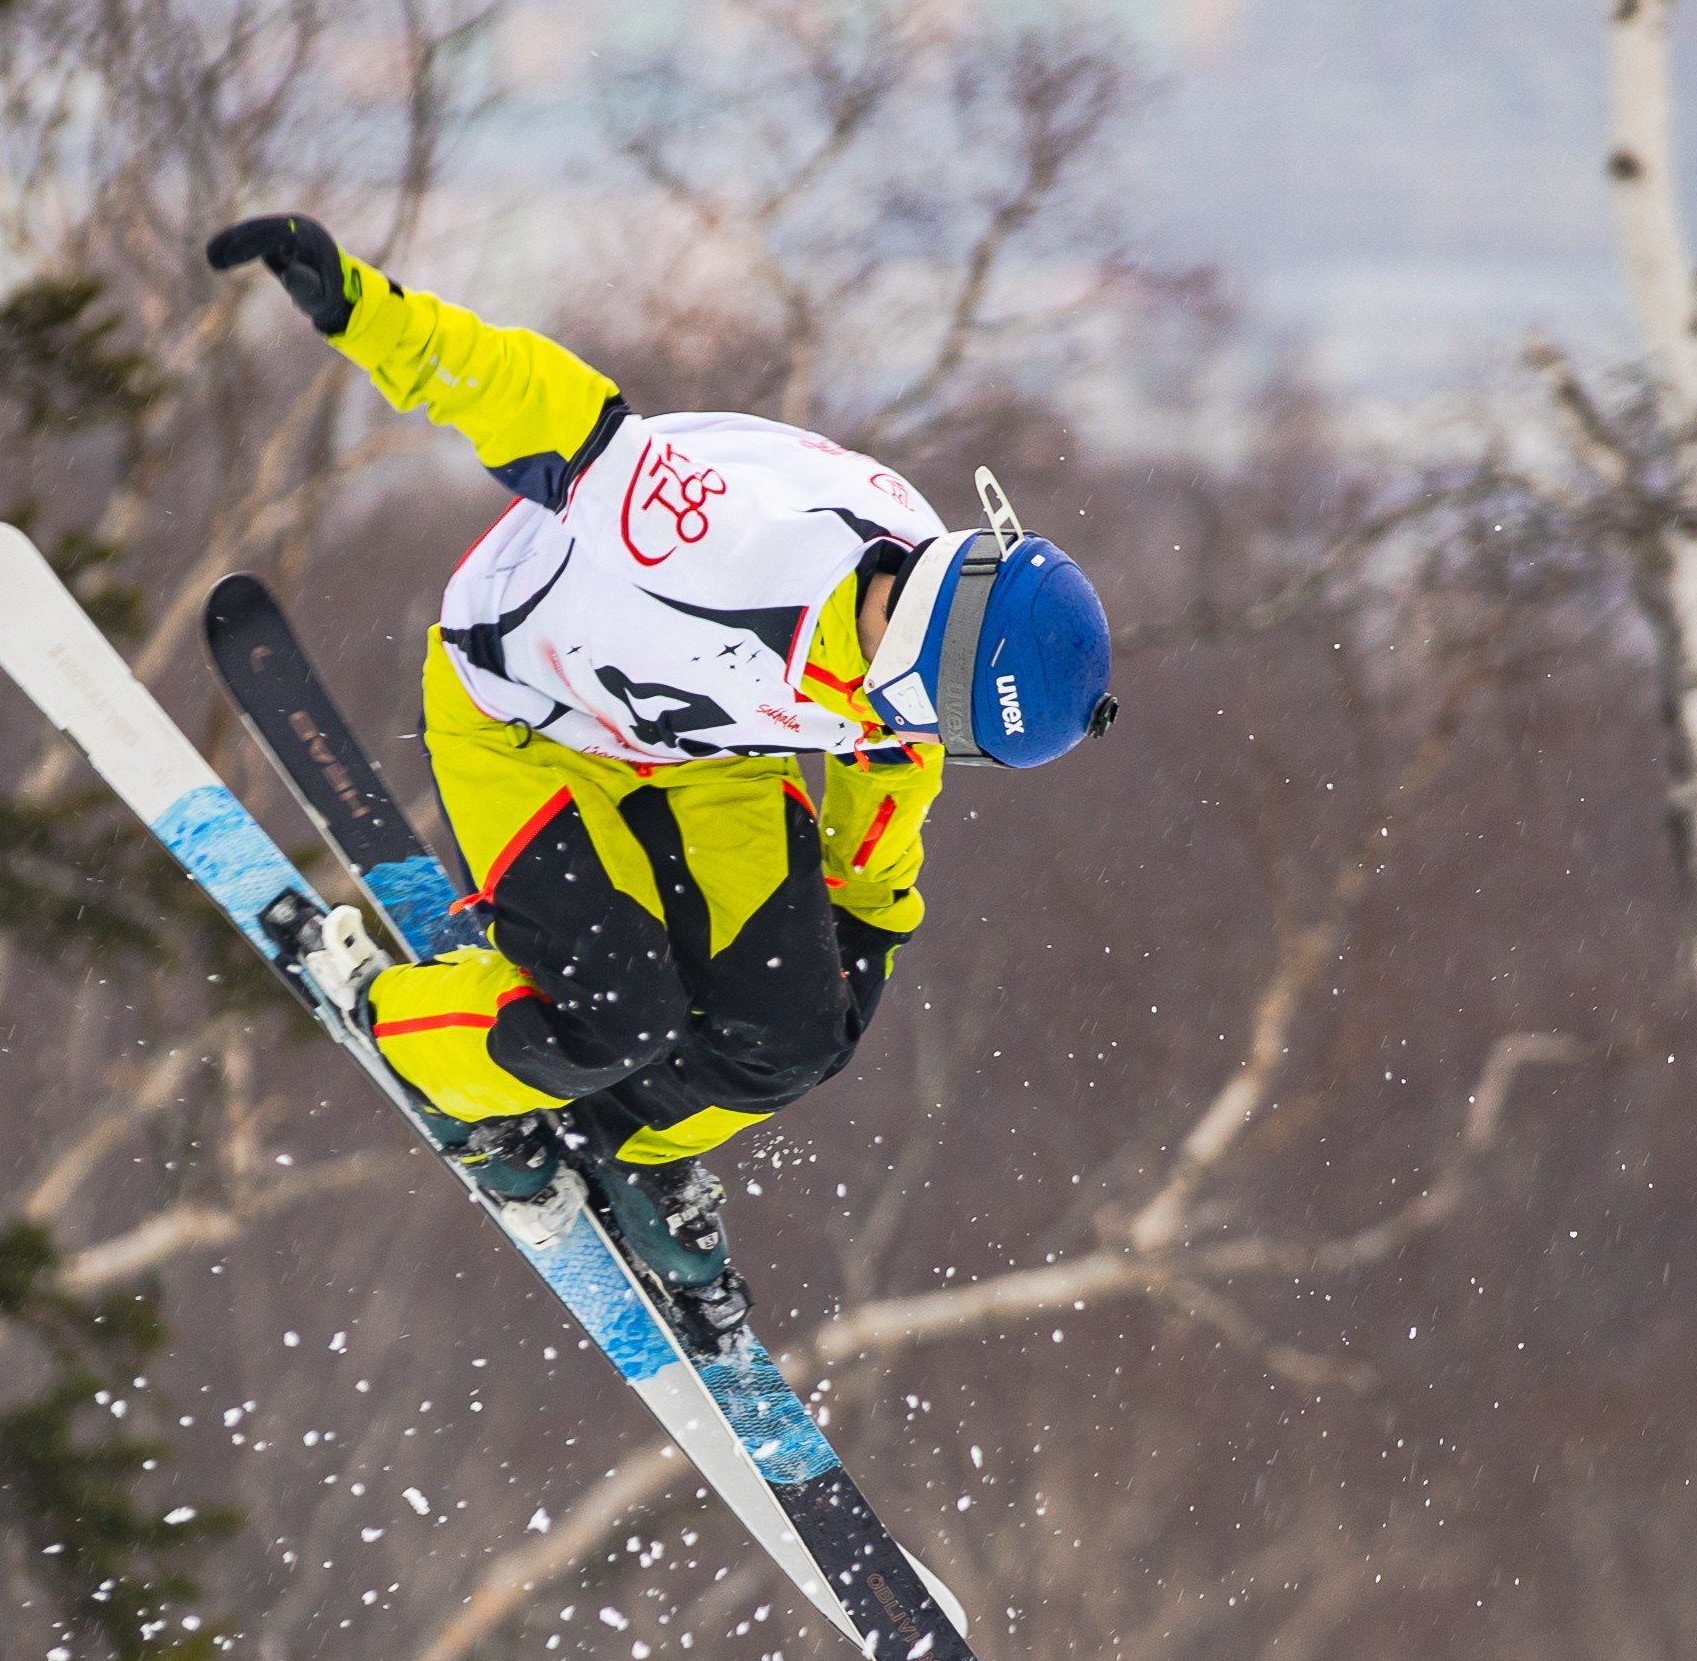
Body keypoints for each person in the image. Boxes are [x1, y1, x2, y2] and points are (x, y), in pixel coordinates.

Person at [206, 211, 1117, 1312]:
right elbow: (533, 400)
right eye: (944, 725)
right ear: (936, 648)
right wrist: (360, 305)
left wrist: (863, 935)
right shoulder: (723, 543)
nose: (927, 744)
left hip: (701, 755)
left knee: (798, 1030)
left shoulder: (906, 686)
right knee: (617, 1013)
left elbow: (884, 807)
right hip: (528, 717)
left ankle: (617, 1141)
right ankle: (417, 1042)